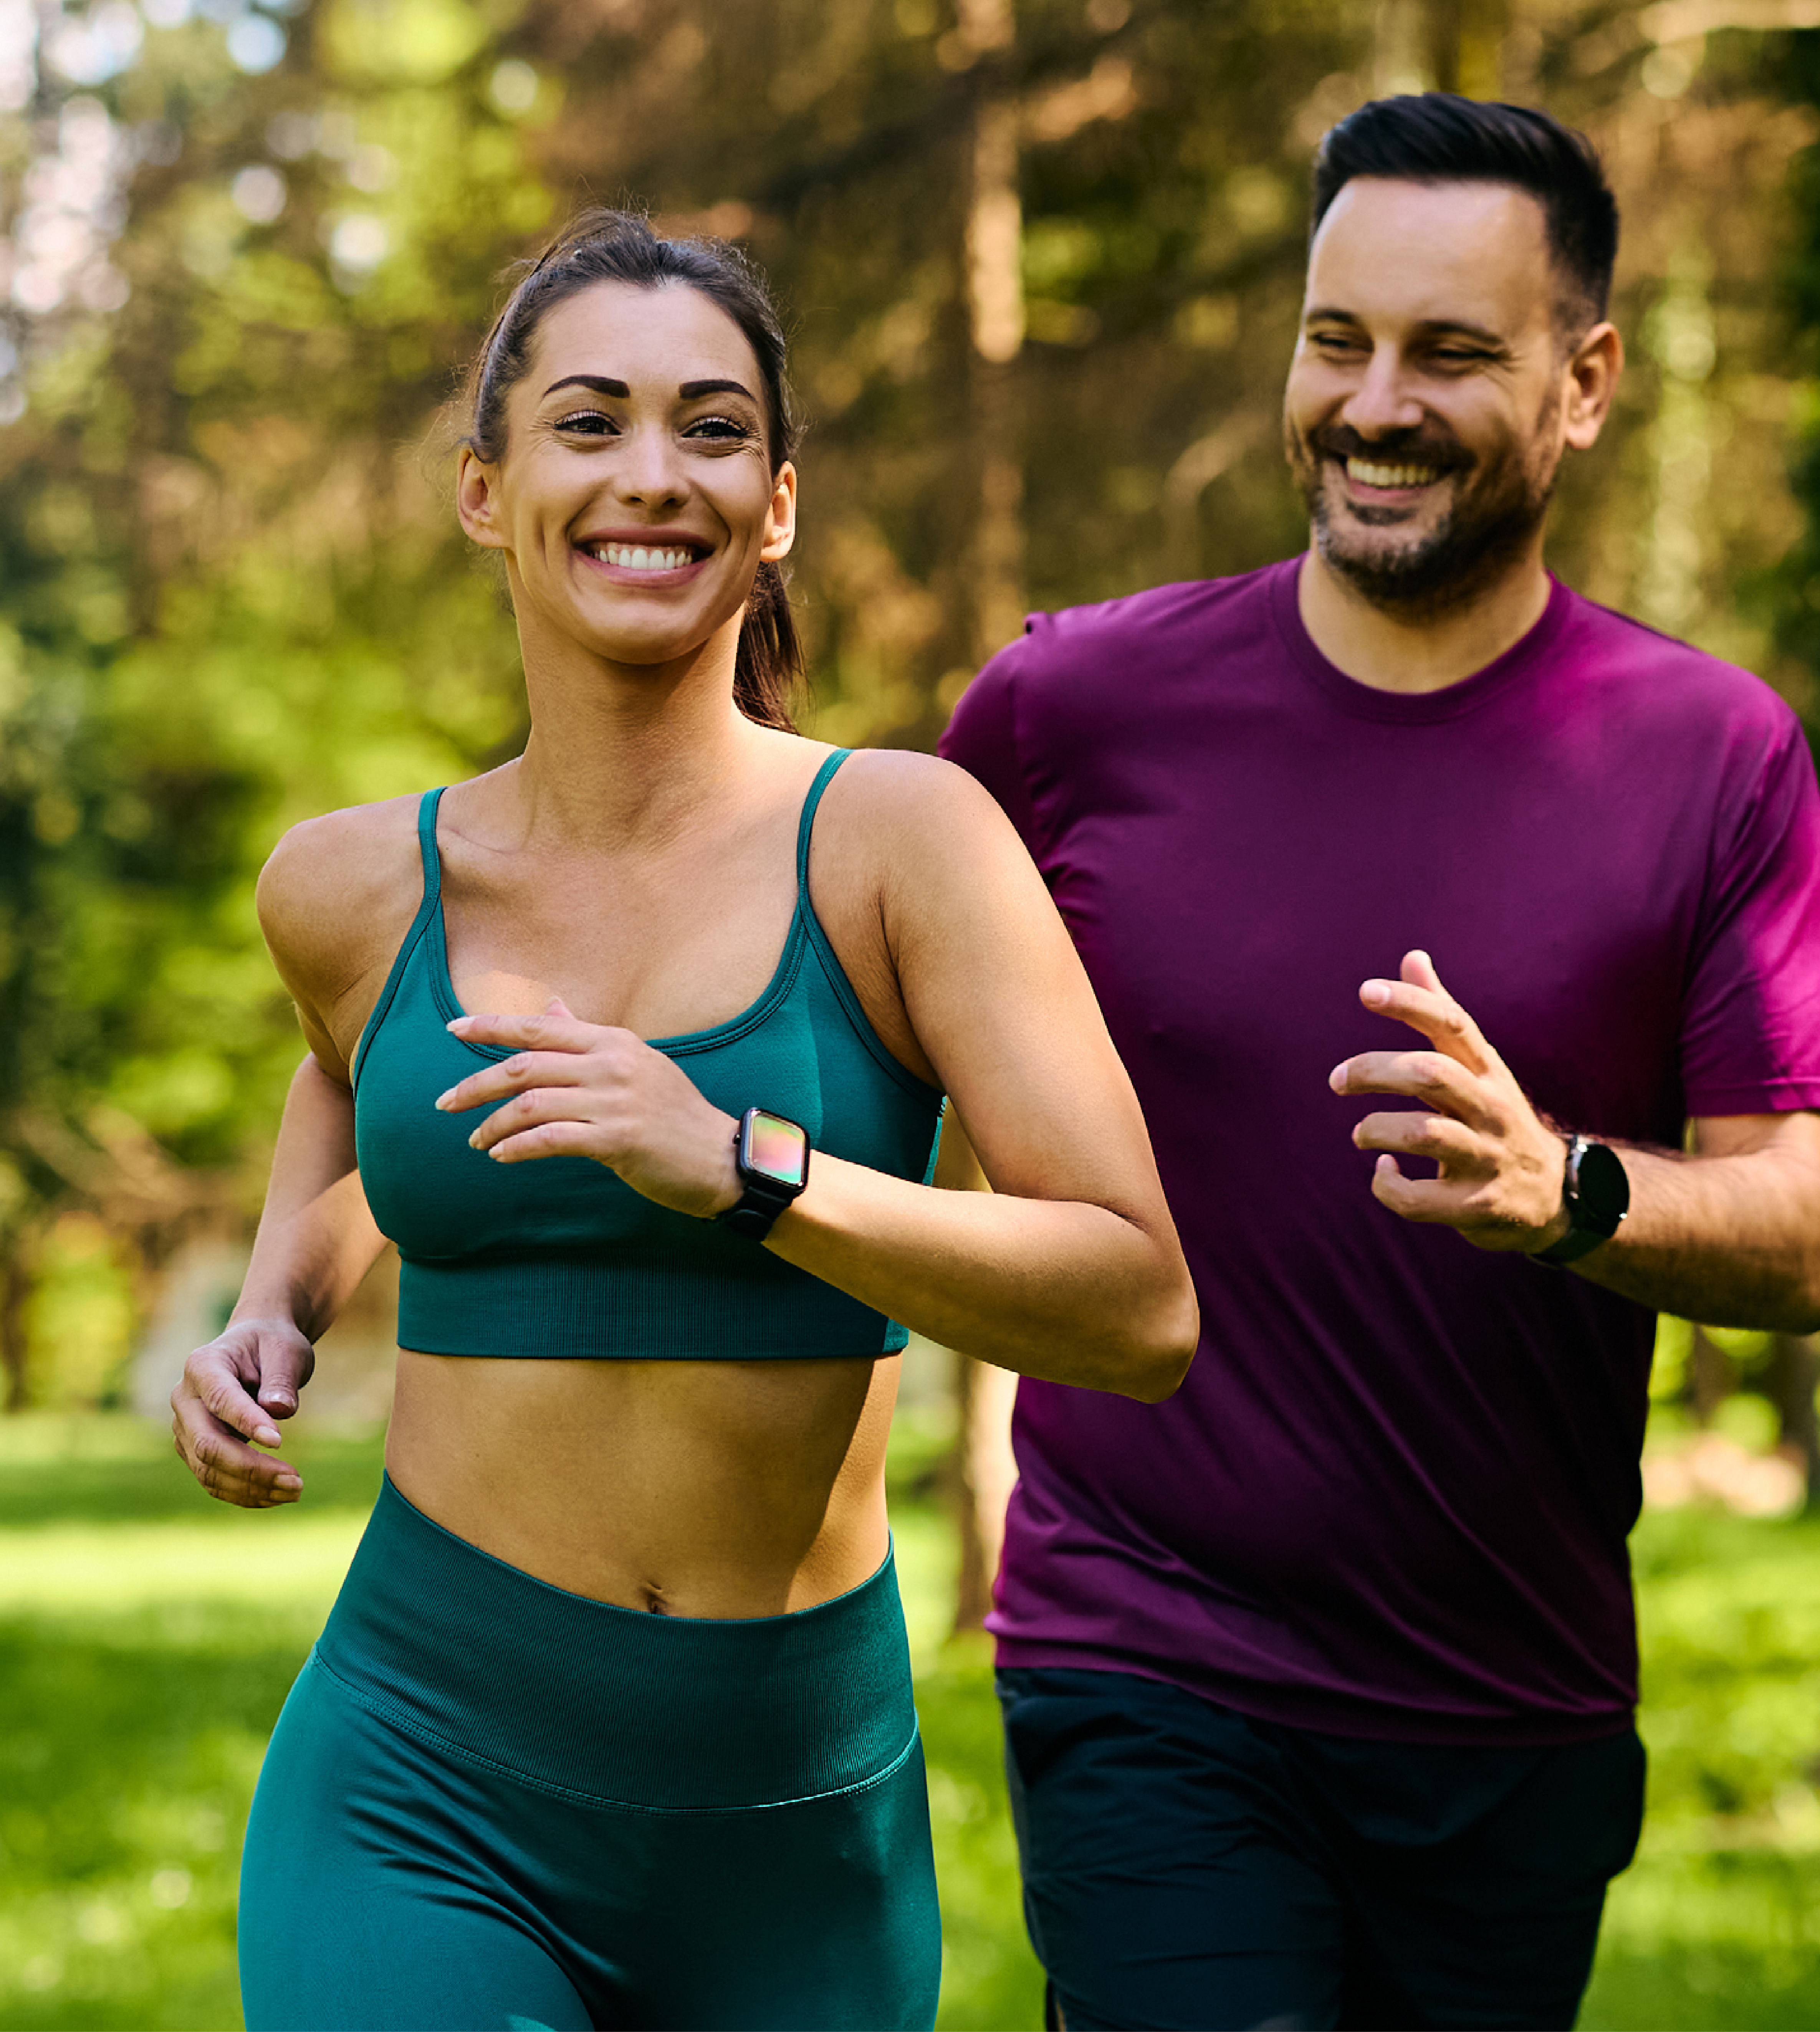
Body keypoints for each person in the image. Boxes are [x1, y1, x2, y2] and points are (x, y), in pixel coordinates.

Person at [170, 210, 1197, 2032]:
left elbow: (1137, 1306)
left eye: (711, 430)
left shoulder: (903, 846)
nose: (653, 473)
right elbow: (347, 1077)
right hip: (425, 1782)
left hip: (796, 1835)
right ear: (485, 491)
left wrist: (741, 1167)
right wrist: (276, 1306)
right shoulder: (349, 889)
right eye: (589, 422)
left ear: (774, 506)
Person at [939, 96, 1820, 2031]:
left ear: (1581, 383)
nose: (1372, 406)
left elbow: (1804, 1237)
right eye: (1333, 341)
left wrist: (1562, 1191)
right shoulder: (1063, 716)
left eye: (1446, 353)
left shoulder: (1711, 757)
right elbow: (836, 1065)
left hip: (1507, 1707)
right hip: (1142, 1656)